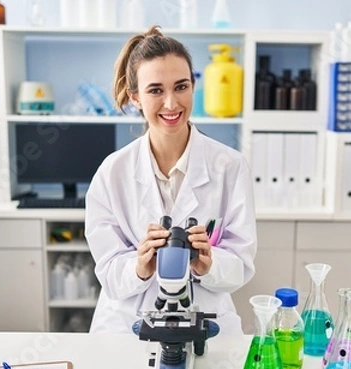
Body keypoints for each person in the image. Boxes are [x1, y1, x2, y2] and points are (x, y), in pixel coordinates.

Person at [85, 25, 257, 335]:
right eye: (155, 90)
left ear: (193, 86)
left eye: (181, 87)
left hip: (206, 321)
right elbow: (108, 271)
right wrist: (139, 266)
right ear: (135, 96)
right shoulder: (112, 173)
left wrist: (209, 263)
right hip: (126, 326)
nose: (171, 104)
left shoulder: (230, 166)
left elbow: (241, 264)